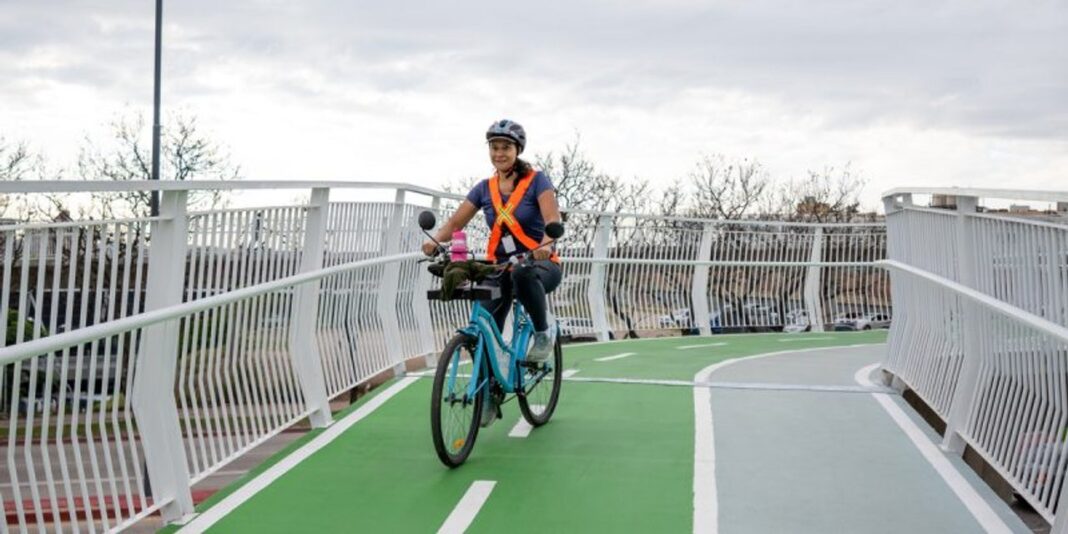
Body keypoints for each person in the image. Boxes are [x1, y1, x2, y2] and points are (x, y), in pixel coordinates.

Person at [422, 119, 563, 362]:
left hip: (539, 264)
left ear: (517, 150)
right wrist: (434, 240)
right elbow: (456, 224)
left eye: (505, 148)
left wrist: (547, 244)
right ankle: (489, 393)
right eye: (494, 147)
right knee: (485, 332)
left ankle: (543, 333)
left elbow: (552, 218)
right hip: (500, 268)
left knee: (521, 273)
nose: (499, 153)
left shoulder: (537, 181)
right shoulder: (483, 189)